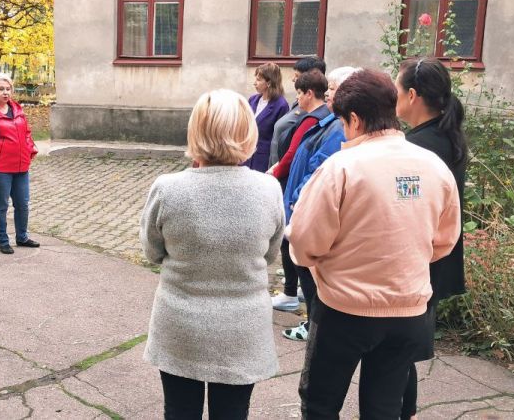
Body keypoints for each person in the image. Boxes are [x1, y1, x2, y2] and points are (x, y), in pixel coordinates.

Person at [287, 69, 461, 419]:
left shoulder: (342, 167)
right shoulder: (434, 166)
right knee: (384, 407)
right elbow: (444, 241)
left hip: (345, 309)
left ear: (353, 118)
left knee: (321, 402)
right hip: (409, 312)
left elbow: (305, 243)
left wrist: (319, 262)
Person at [141, 89, 284, 420]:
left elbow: (151, 251)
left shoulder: (167, 188)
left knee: (179, 412)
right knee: (233, 414)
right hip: (243, 329)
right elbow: (271, 254)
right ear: (248, 133)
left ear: (196, 131)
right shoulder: (268, 189)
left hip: (180, 324)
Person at [395, 57, 468, 420]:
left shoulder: (421, 146)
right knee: (402, 350)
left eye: (397, 89)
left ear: (411, 95)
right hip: (436, 255)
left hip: (420, 260)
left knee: (396, 351)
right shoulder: (444, 134)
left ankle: (399, 411)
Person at [278, 67, 358, 340]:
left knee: (311, 275)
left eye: (333, 89)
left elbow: (320, 168)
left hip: (305, 207)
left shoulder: (337, 127)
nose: (328, 94)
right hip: (300, 205)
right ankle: (314, 323)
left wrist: (299, 200)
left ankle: (314, 326)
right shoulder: (330, 121)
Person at [268, 70, 330, 315]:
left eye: (300, 93)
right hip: (294, 184)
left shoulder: (312, 120)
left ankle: (291, 293)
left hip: (295, 189)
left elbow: (294, 153)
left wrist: (276, 171)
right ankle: (297, 291)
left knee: (288, 239)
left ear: (309, 94)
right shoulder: (322, 117)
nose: (298, 99)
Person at [0, 72, 40, 254]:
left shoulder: (18, 110)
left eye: (8, 88)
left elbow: (26, 134)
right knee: (1, 205)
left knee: (22, 204)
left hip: (21, 168)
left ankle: (22, 237)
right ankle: (3, 241)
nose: (5, 92)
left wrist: (29, 151)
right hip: (0, 169)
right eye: (1, 89)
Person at [244, 63, 289, 172]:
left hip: (263, 159)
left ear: (269, 82)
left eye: (259, 80)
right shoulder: (253, 100)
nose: (255, 83)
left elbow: (280, 137)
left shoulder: (281, 105)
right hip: (246, 155)